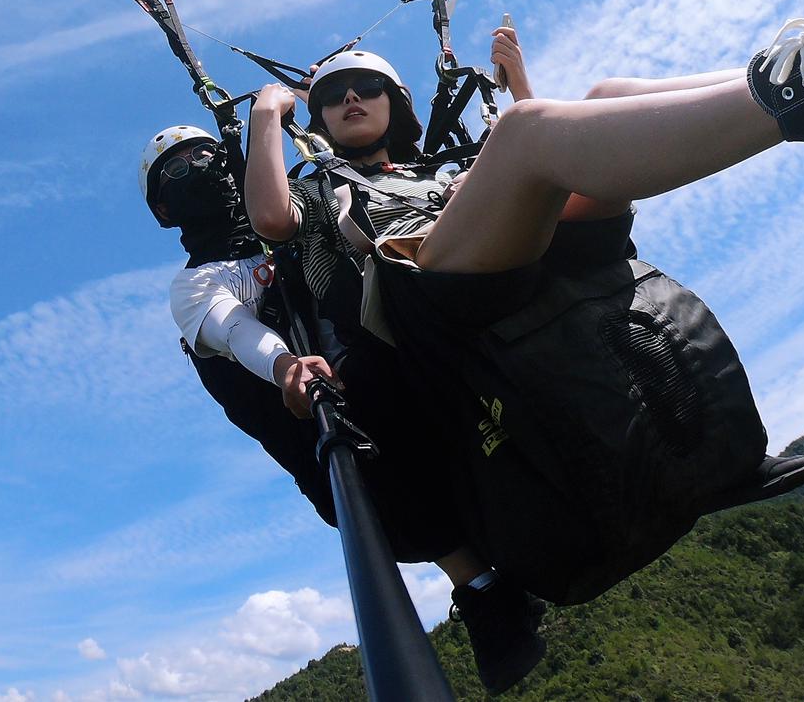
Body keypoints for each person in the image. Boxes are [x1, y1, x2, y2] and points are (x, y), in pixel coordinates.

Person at [243, 0, 804, 602]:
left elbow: (551, 163)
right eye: (332, 95)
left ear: (396, 103)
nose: (348, 99)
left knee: (597, 97)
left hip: (505, 254)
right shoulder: (321, 187)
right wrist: (268, 118)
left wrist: (522, 84)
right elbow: (274, 222)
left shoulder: (437, 164)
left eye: (365, 87)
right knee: (524, 132)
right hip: (425, 295)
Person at [150, 126, 550, 693]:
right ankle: (485, 591)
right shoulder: (193, 287)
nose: (200, 166)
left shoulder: (290, 215)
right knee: (397, 499)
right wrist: (286, 365)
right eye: (180, 168)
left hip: (388, 379)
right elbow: (233, 328)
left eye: (206, 155)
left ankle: (493, 580)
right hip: (320, 428)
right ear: (165, 208)